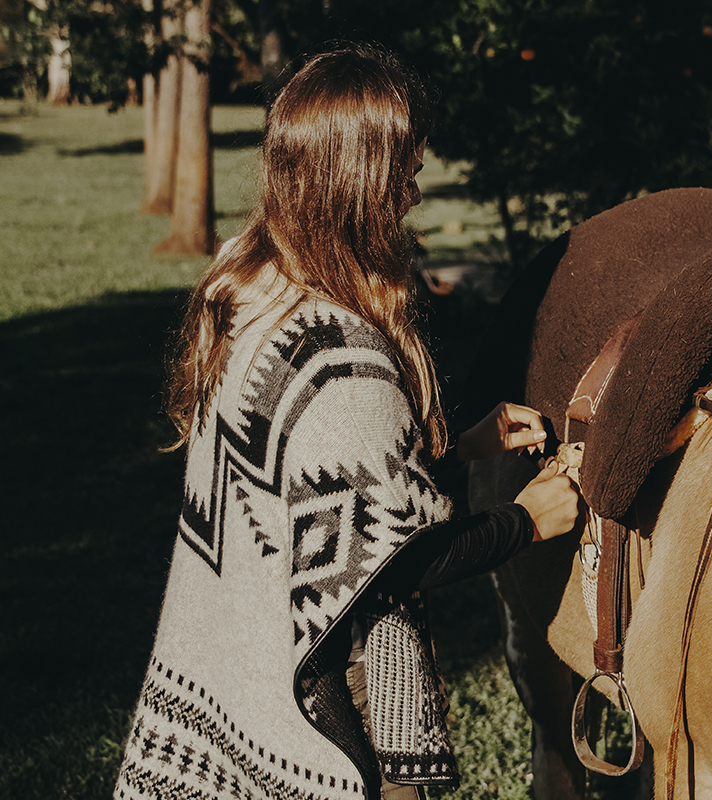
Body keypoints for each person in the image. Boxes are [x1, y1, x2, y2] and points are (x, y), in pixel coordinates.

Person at [114, 45, 580, 800]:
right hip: (330, 708)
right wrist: (527, 519)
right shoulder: (342, 355)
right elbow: (397, 561)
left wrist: (459, 451)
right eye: (406, 173)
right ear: (362, 183)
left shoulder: (250, 288)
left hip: (232, 657)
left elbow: (325, 502)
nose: (414, 194)